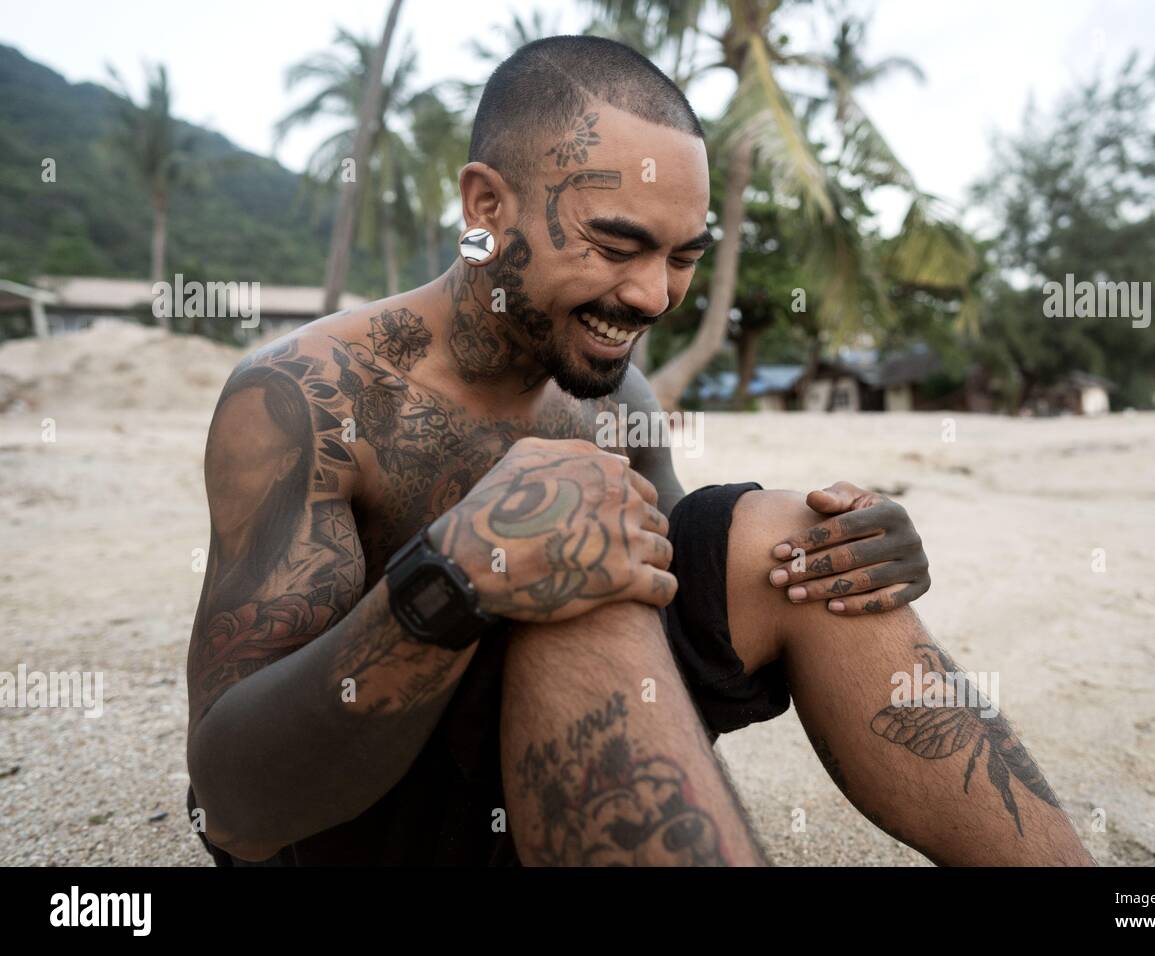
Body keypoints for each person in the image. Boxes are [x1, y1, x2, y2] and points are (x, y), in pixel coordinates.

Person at [185, 35, 1092, 866]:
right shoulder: (306, 398)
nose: (655, 295)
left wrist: (869, 554)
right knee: (584, 566)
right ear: (485, 205)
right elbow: (233, 806)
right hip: (367, 831)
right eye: (616, 243)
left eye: (684, 256)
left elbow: (688, 592)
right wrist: (457, 576)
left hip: (553, 782)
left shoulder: (615, 396)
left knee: (781, 539)